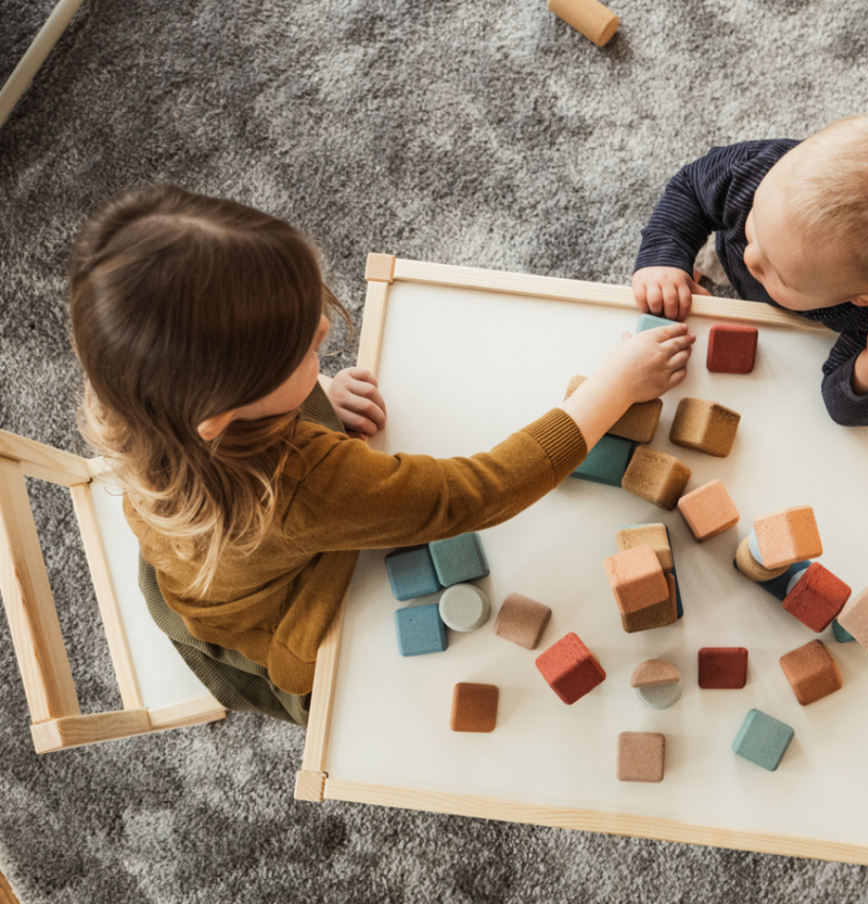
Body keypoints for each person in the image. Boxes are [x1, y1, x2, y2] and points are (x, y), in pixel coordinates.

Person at [69, 185, 694, 725]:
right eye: (306, 354)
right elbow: (477, 492)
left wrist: (312, 402)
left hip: (192, 561)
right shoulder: (304, 481)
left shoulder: (138, 401)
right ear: (223, 413)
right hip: (277, 623)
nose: (324, 337)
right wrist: (615, 388)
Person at [632, 113, 868, 426]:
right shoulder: (759, 170)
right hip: (734, 252)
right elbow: (690, 187)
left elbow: (842, 407)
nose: (751, 259)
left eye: (781, 275)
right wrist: (663, 258)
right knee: (721, 239)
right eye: (756, 226)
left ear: (864, 298)